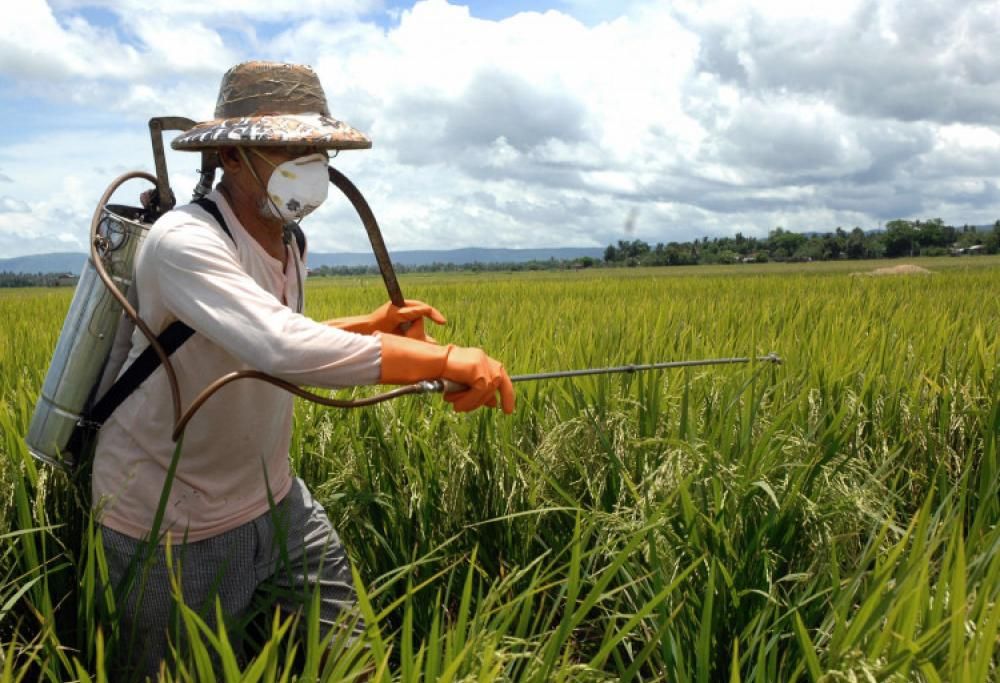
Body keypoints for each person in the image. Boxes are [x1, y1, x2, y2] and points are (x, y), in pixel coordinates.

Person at [92, 60, 514, 678]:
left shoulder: (290, 239)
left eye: (315, 146)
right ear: (231, 156)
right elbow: (279, 346)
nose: (310, 161)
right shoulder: (184, 242)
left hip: (275, 498)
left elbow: (262, 334)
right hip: (167, 522)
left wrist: (368, 330)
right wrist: (442, 359)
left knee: (353, 662)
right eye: (288, 147)